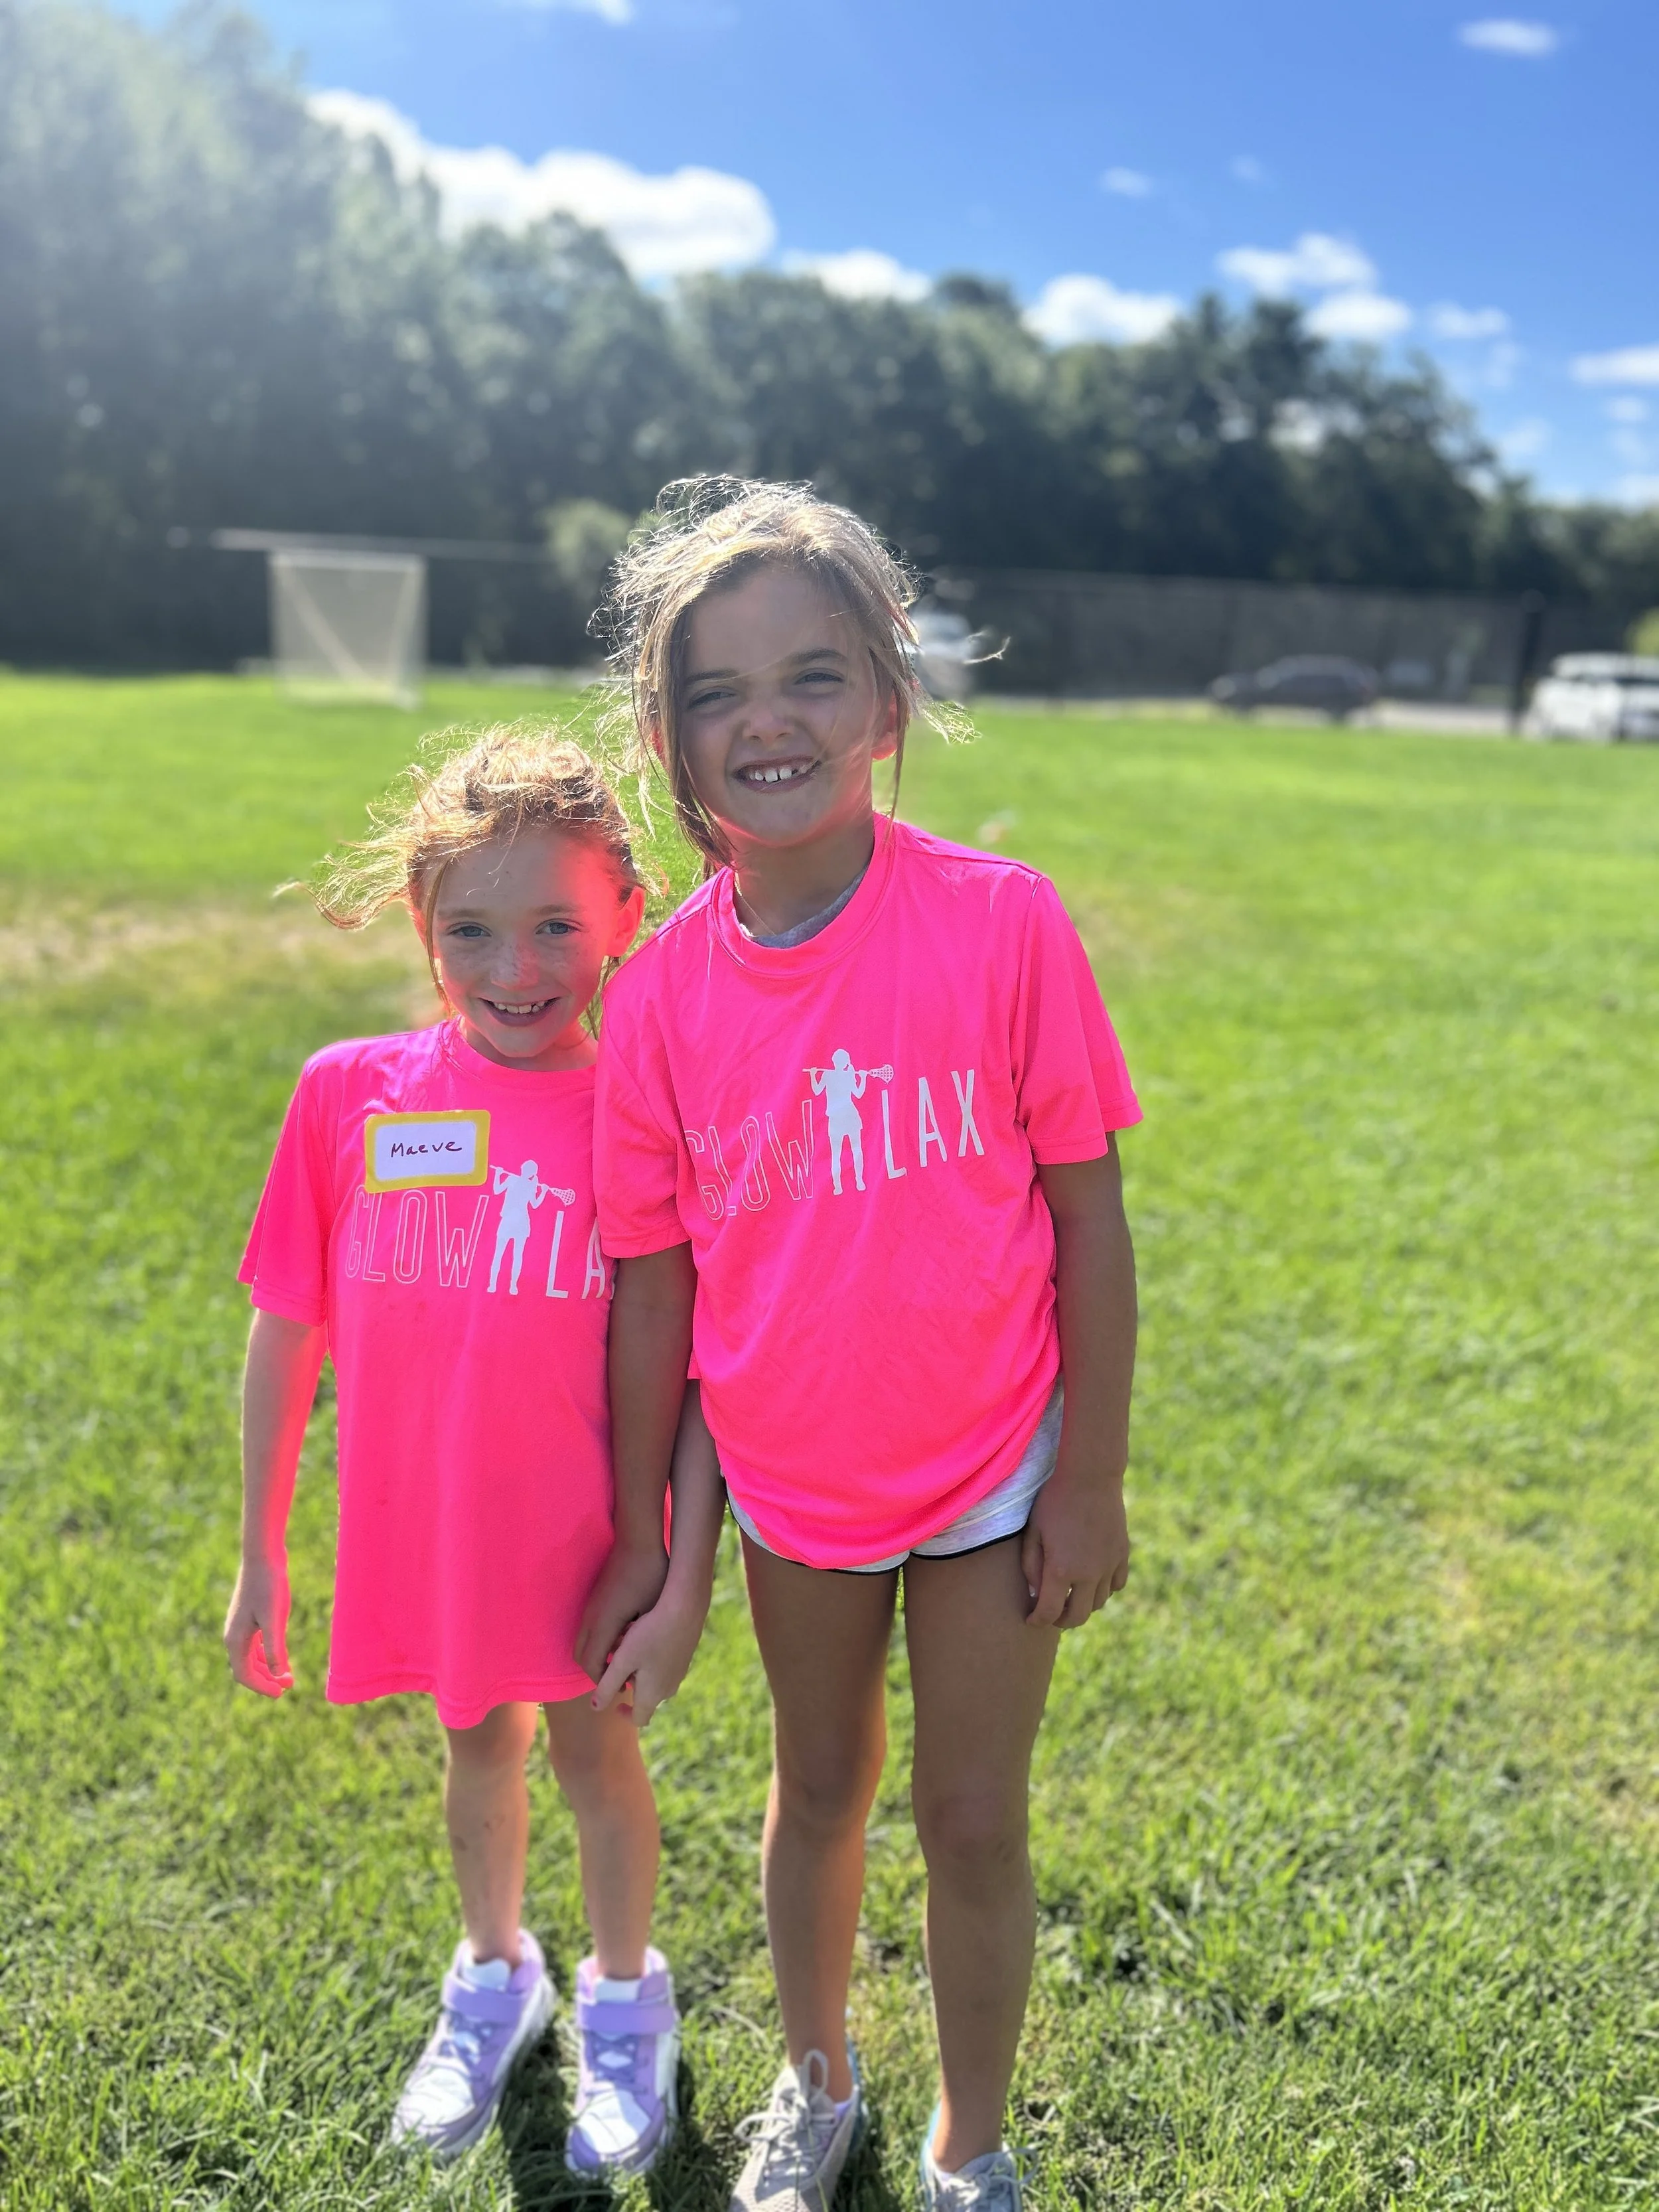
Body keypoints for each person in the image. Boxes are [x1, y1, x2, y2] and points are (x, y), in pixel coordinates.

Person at [581, 480, 1141, 2212]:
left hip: (995, 1466)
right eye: (716, 691)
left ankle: (969, 2143)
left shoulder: (999, 920)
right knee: (817, 1786)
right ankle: (812, 2086)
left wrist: (1094, 1479)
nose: (767, 719)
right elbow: (653, 1289)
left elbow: (1085, 1214)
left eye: (812, 675)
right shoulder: (661, 992)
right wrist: (639, 1531)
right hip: (791, 1483)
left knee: (973, 1814)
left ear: (887, 705)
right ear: (671, 740)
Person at [223, 726, 723, 2170]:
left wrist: (675, 1565)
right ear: (420, 927)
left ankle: (625, 2005)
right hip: (428, 1527)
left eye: (557, 922)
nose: (517, 968)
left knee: (593, 1760)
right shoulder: (347, 1095)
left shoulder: (647, 1104)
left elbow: (694, 1369)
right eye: (474, 931)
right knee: (473, 1747)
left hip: (590, 1533)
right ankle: (495, 1976)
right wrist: (260, 1549)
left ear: (626, 912)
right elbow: (284, 1328)